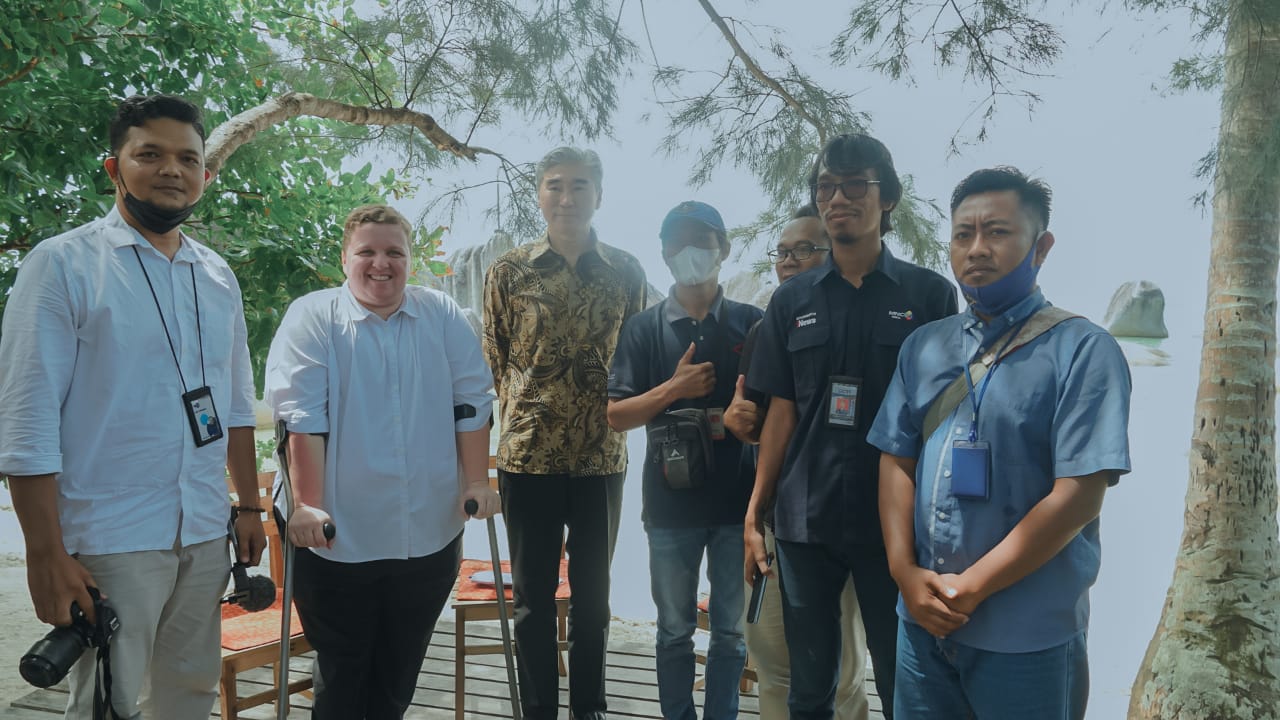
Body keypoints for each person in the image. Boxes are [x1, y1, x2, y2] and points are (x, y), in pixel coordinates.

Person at [0, 94, 264, 718]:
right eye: (150, 154)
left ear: (206, 175)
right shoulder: (62, 265)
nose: (172, 169)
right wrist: (45, 553)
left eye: (187, 158)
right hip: (112, 537)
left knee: (191, 692)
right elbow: (27, 421)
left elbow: (234, 405)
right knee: (109, 703)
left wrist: (250, 506)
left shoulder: (216, 276)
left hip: (205, 529)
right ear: (114, 168)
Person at [868, 167, 1132, 719]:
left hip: (1027, 636)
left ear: (1042, 247)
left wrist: (972, 587)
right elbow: (896, 460)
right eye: (963, 234)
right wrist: (902, 572)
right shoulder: (924, 346)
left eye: (997, 232)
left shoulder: (1083, 350)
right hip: (921, 625)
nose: (977, 249)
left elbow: (1080, 494)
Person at [743, 133, 958, 719]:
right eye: (826, 188)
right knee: (809, 687)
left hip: (895, 523)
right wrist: (756, 511)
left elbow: (943, 416)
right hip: (804, 521)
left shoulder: (929, 296)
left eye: (855, 185)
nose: (838, 199)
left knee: (901, 676)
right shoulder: (791, 301)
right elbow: (781, 411)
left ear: (886, 198)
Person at [263, 204, 497, 718]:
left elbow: (472, 399)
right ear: (344, 258)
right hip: (336, 534)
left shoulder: (440, 313)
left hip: (428, 530)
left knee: (398, 673)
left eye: (395, 252)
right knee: (343, 673)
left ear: (410, 259)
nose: (381, 263)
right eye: (366, 251)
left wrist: (477, 481)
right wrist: (309, 504)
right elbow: (302, 415)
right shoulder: (314, 315)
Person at [483, 147, 646, 720]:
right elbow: (496, 358)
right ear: (540, 194)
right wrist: (527, 413)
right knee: (531, 600)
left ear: (598, 195)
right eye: (555, 185)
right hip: (527, 458)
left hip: (602, 457)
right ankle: (538, 710)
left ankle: (588, 708)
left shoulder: (626, 271)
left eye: (579, 185)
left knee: (593, 600)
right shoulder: (509, 271)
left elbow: (634, 360)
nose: (567, 197)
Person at [606, 201, 760, 720]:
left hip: (737, 507)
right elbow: (616, 416)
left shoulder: (752, 325)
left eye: (701, 240)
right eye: (677, 242)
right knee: (673, 629)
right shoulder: (642, 329)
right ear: (664, 253)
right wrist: (673, 388)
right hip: (669, 509)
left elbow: (777, 411)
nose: (689, 251)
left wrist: (746, 420)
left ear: (724, 249)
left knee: (731, 631)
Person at [725, 204, 870, 720]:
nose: (788, 260)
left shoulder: (861, 325)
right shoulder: (766, 330)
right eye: (782, 251)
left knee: (843, 673)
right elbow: (756, 418)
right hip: (773, 522)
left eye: (804, 249)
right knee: (772, 662)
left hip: (842, 521)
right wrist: (737, 420)